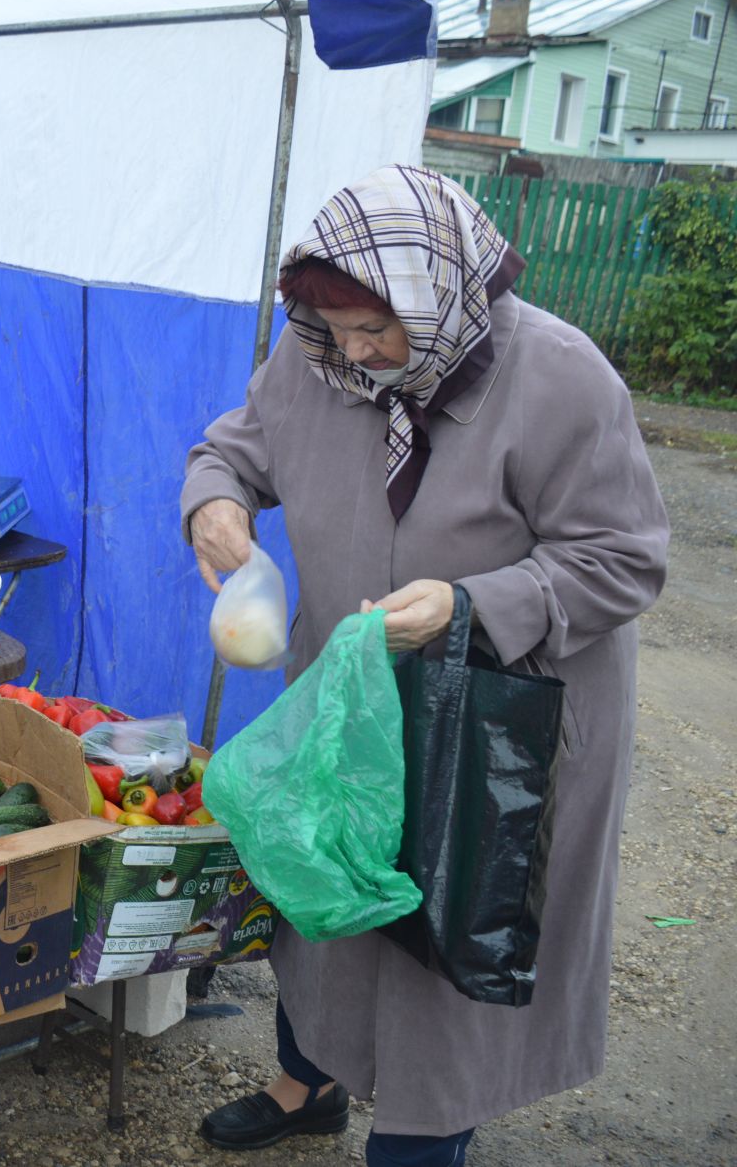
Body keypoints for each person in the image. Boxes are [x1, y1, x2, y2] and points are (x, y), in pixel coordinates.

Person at [181, 165, 668, 1167]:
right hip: (352, 699)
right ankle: (306, 1079)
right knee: (326, 902)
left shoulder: (560, 379)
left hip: (493, 723)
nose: (353, 354)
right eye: (331, 330)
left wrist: (473, 604)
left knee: (438, 950)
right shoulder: (318, 352)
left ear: (438, 291)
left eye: (375, 330)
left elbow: (623, 557)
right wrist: (216, 505)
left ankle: (418, 1141)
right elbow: (236, 446)